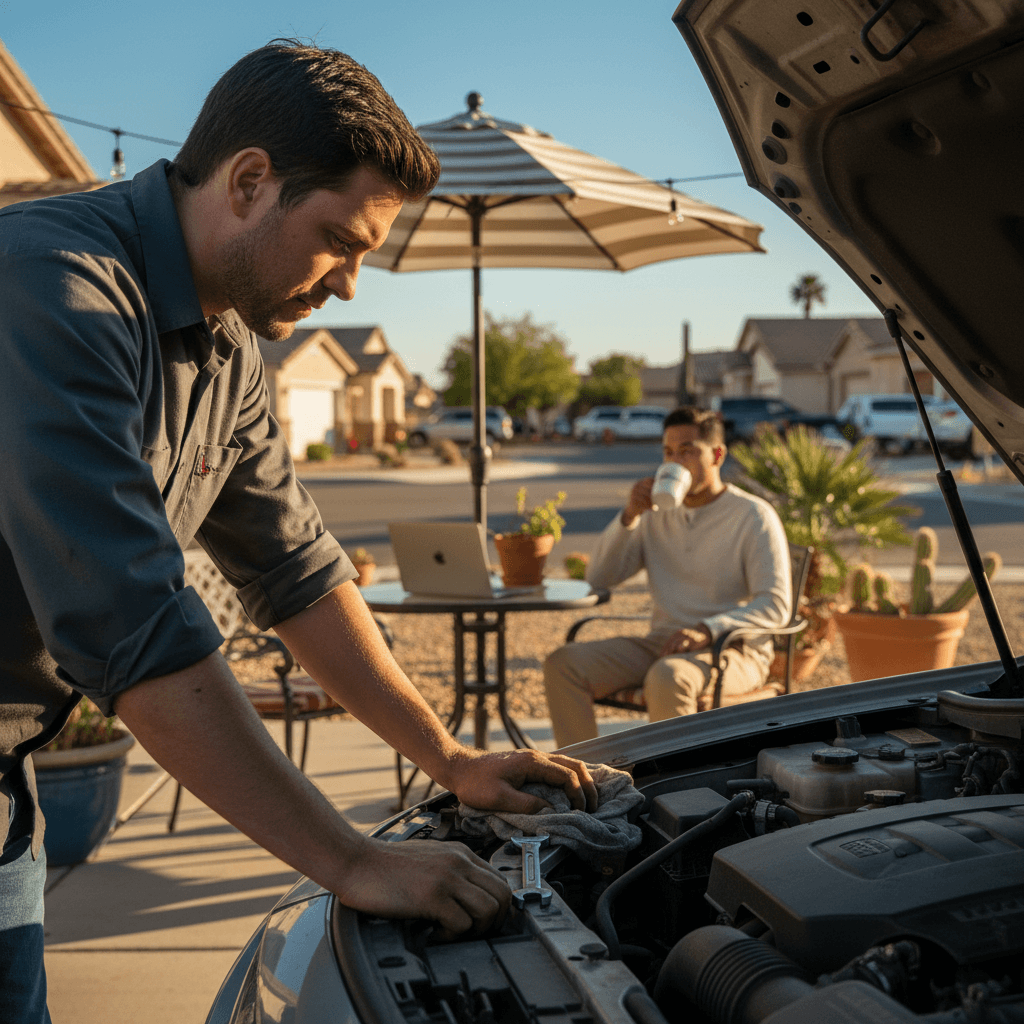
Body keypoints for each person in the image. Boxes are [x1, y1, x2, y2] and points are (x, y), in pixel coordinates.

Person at [0, 40, 597, 1022]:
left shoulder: (228, 344)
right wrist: (350, 860)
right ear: (248, 181)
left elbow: (296, 570)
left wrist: (447, 758)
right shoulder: (52, 284)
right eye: (339, 241)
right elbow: (132, 625)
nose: (353, 285)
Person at [543, 406, 791, 749]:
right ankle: (587, 781)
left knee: (668, 677)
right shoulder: (655, 515)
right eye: (669, 452)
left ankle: (675, 792)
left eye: (688, 450)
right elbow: (599, 577)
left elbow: (776, 604)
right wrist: (629, 516)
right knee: (563, 665)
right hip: (663, 642)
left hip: (733, 648)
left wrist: (708, 629)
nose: (675, 462)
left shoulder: (752, 515)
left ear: (717, 454)